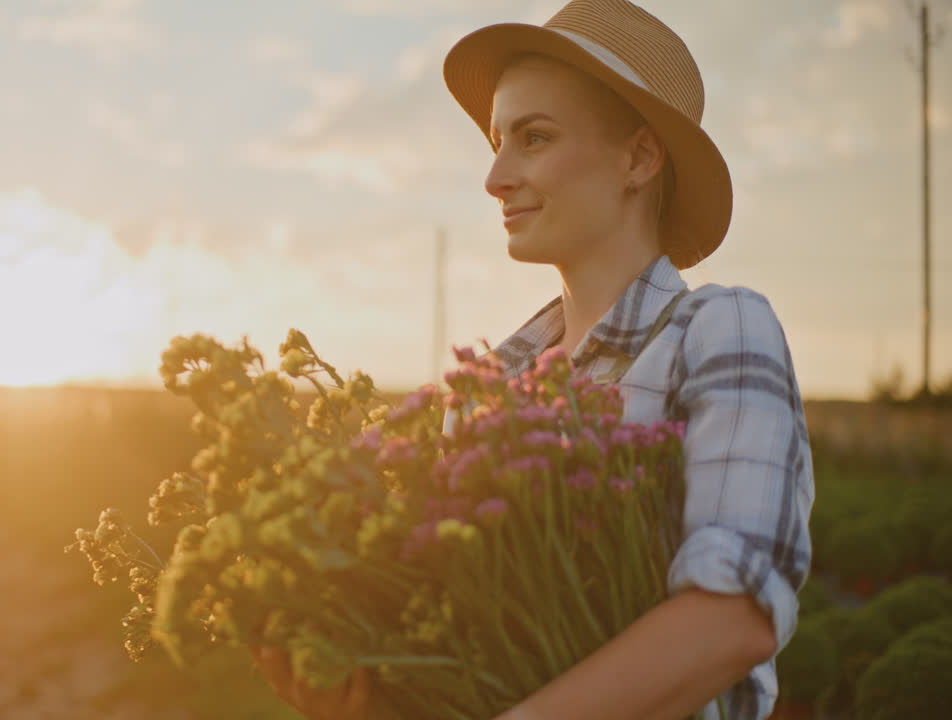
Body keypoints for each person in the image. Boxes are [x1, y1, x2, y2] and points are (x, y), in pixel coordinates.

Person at [251, 1, 815, 718]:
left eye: (534, 138)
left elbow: (733, 617)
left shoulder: (720, 329)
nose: (495, 175)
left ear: (639, 158)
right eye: (495, 141)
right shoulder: (489, 393)